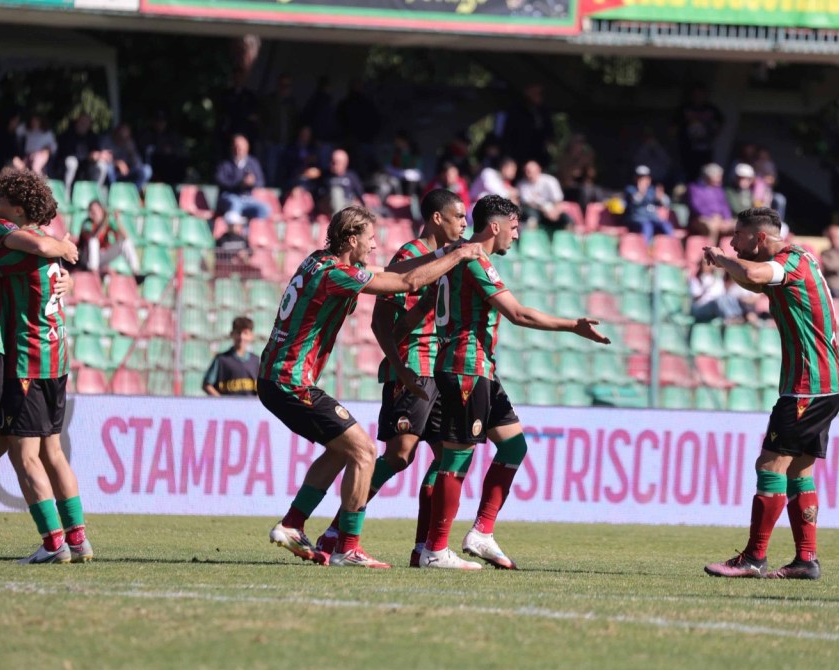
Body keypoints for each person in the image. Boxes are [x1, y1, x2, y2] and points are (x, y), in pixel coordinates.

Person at [260, 205, 483, 569]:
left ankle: (293, 524)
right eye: (369, 238)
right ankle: (347, 546)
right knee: (364, 452)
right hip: (290, 380)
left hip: (276, 378)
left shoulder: (318, 262)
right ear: (351, 240)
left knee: (341, 449)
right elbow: (405, 283)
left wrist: (443, 252)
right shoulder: (336, 274)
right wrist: (458, 254)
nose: (375, 245)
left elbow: (388, 271)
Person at [412, 195, 610, 569]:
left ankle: (481, 533)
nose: (517, 237)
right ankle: (434, 550)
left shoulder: (458, 254)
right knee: (456, 457)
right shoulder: (472, 260)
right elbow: (518, 313)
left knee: (514, 446)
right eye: (515, 228)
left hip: (480, 368)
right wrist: (573, 326)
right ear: (496, 226)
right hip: (464, 367)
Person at [312, 189, 468, 567]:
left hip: (441, 367)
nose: (464, 224)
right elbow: (383, 323)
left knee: (448, 457)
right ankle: (337, 531)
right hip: (414, 365)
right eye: (459, 217)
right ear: (437, 219)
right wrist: (400, 367)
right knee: (399, 456)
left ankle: (425, 550)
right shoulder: (410, 257)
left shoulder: (448, 259)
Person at [702, 207, 839, 581]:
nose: (733, 242)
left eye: (738, 235)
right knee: (800, 468)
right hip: (827, 384)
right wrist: (728, 265)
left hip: (806, 387)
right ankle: (806, 560)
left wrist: (721, 258)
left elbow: (751, 273)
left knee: (770, 465)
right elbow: (755, 281)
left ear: (760, 238)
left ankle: (753, 557)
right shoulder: (801, 258)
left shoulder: (786, 263)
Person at [0, 168, 84, 564]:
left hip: (23, 362)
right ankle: (77, 539)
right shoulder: (44, 253)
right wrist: (65, 249)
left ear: (16, 209)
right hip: (55, 362)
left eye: (0, 200)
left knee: (16, 452)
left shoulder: (7, 242)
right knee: (3, 447)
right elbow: (52, 250)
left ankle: (53, 545)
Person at [75, 200, 144, 282]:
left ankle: (136, 273)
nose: (94, 214)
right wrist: (104, 221)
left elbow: (125, 237)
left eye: (96, 210)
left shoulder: (108, 222)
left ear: (102, 210)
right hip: (86, 258)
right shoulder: (87, 223)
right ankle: (93, 273)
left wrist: (117, 221)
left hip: (101, 257)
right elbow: (92, 236)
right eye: (92, 211)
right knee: (93, 241)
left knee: (125, 243)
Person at [215, 134, 271, 226]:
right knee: (235, 203)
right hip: (229, 197)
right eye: (236, 147)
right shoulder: (225, 164)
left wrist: (252, 183)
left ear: (247, 148)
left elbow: (261, 182)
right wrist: (240, 183)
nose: (238, 150)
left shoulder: (253, 163)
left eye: (241, 148)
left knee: (264, 208)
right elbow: (220, 181)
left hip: (247, 199)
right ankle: (234, 235)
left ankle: (252, 234)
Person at [674, 83, 723, 181]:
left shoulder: (711, 109)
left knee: (704, 174)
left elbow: (719, 126)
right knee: (686, 174)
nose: (698, 97)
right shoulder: (684, 108)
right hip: (687, 149)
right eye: (696, 94)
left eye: (701, 94)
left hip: (705, 149)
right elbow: (673, 127)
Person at [203, 317, 259, 396]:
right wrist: (221, 401)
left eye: (245, 333)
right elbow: (207, 385)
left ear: (251, 336)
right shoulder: (221, 359)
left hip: (249, 407)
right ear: (232, 334)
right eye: (238, 333)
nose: (241, 337)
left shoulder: (256, 361)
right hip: (228, 407)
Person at [517, 160, 572, 233]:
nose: (528, 174)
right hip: (535, 211)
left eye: (530, 171)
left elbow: (558, 200)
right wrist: (544, 210)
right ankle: (531, 239)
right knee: (531, 217)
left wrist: (555, 212)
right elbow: (528, 203)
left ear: (539, 170)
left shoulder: (550, 181)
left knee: (567, 219)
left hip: (552, 211)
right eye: (526, 171)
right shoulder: (522, 184)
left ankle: (570, 240)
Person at [58, 113, 107, 191]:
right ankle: (66, 192)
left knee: (102, 166)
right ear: (77, 122)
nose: (84, 125)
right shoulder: (68, 135)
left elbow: (96, 152)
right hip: (67, 166)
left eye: (86, 123)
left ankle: (96, 192)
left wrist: (96, 155)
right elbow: (66, 153)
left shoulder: (92, 136)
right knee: (72, 162)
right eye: (82, 122)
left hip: (87, 165)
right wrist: (88, 156)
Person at [688, 163, 734, 243]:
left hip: (719, 218)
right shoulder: (694, 188)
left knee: (738, 226)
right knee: (711, 227)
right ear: (708, 177)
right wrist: (712, 216)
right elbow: (696, 206)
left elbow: (724, 205)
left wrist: (727, 219)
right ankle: (710, 252)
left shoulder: (718, 189)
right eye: (718, 177)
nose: (720, 179)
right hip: (700, 218)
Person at [623, 165, 672, 240]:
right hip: (637, 220)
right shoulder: (630, 189)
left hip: (653, 219)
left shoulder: (652, 190)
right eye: (640, 177)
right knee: (647, 226)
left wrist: (661, 197)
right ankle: (645, 249)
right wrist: (641, 191)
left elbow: (666, 203)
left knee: (666, 225)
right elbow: (634, 202)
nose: (643, 180)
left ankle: (672, 247)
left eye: (646, 177)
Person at [312, 149, 365, 216]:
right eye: (332, 162)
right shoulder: (325, 176)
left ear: (345, 162)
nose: (334, 165)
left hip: (347, 204)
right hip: (329, 205)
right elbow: (318, 195)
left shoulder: (351, 176)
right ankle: (337, 220)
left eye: (337, 162)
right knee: (336, 191)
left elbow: (360, 195)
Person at [105, 123, 152, 191]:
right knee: (108, 168)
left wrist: (132, 152)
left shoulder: (130, 144)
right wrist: (117, 163)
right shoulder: (107, 141)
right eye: (120, 136)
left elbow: (138, 164)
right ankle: (114, 192)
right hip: (114, 173)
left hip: (128, 173)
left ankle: (133, 193)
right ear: (116, 134)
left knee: (147, 170)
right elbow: (103, 158)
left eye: (126, 137)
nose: (123, 139)